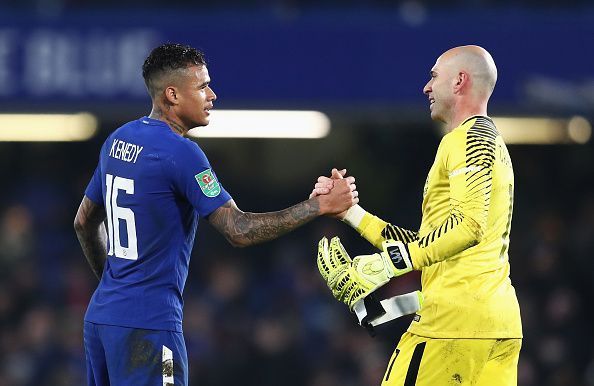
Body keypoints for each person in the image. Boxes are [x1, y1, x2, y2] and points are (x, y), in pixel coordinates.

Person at [73, 42, 358, 386]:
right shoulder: (181, 153)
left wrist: (115, 283)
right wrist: (318, 206)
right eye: (203, 86)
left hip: (101, 320)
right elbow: (237, 229)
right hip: (149, 329)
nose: (213, 94)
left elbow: (84, 221)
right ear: (173, 95)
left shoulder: (117, 140)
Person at [312, 45, 522, 385]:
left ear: (459, 82)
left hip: (453, 325)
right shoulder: (485, 140)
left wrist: (386, 264)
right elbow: (436, 243)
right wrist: (351, 213)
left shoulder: (467, 138)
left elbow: (469, 227)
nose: (426, 87)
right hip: (496, 326)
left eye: (434, 77)